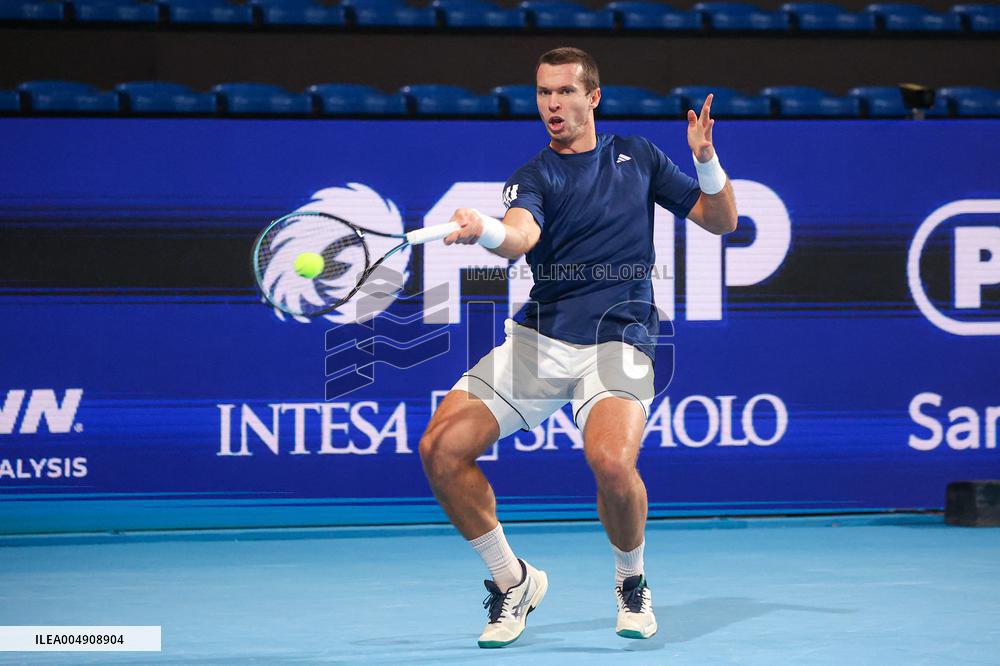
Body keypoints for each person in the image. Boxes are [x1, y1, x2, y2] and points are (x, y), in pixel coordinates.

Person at [418, 46, 738, 648]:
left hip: (618, 339)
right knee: (440, 448)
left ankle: (631, 582)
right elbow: (519, 236)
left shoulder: (638, 156)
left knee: (612, 462)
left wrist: (706, 160)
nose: (552, 105)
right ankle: (512, 580)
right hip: (540, 339)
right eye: (543, 93)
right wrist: (485, 229)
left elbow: (721, 222)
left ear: (592, 97)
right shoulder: (536, 175)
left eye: (565, 92)